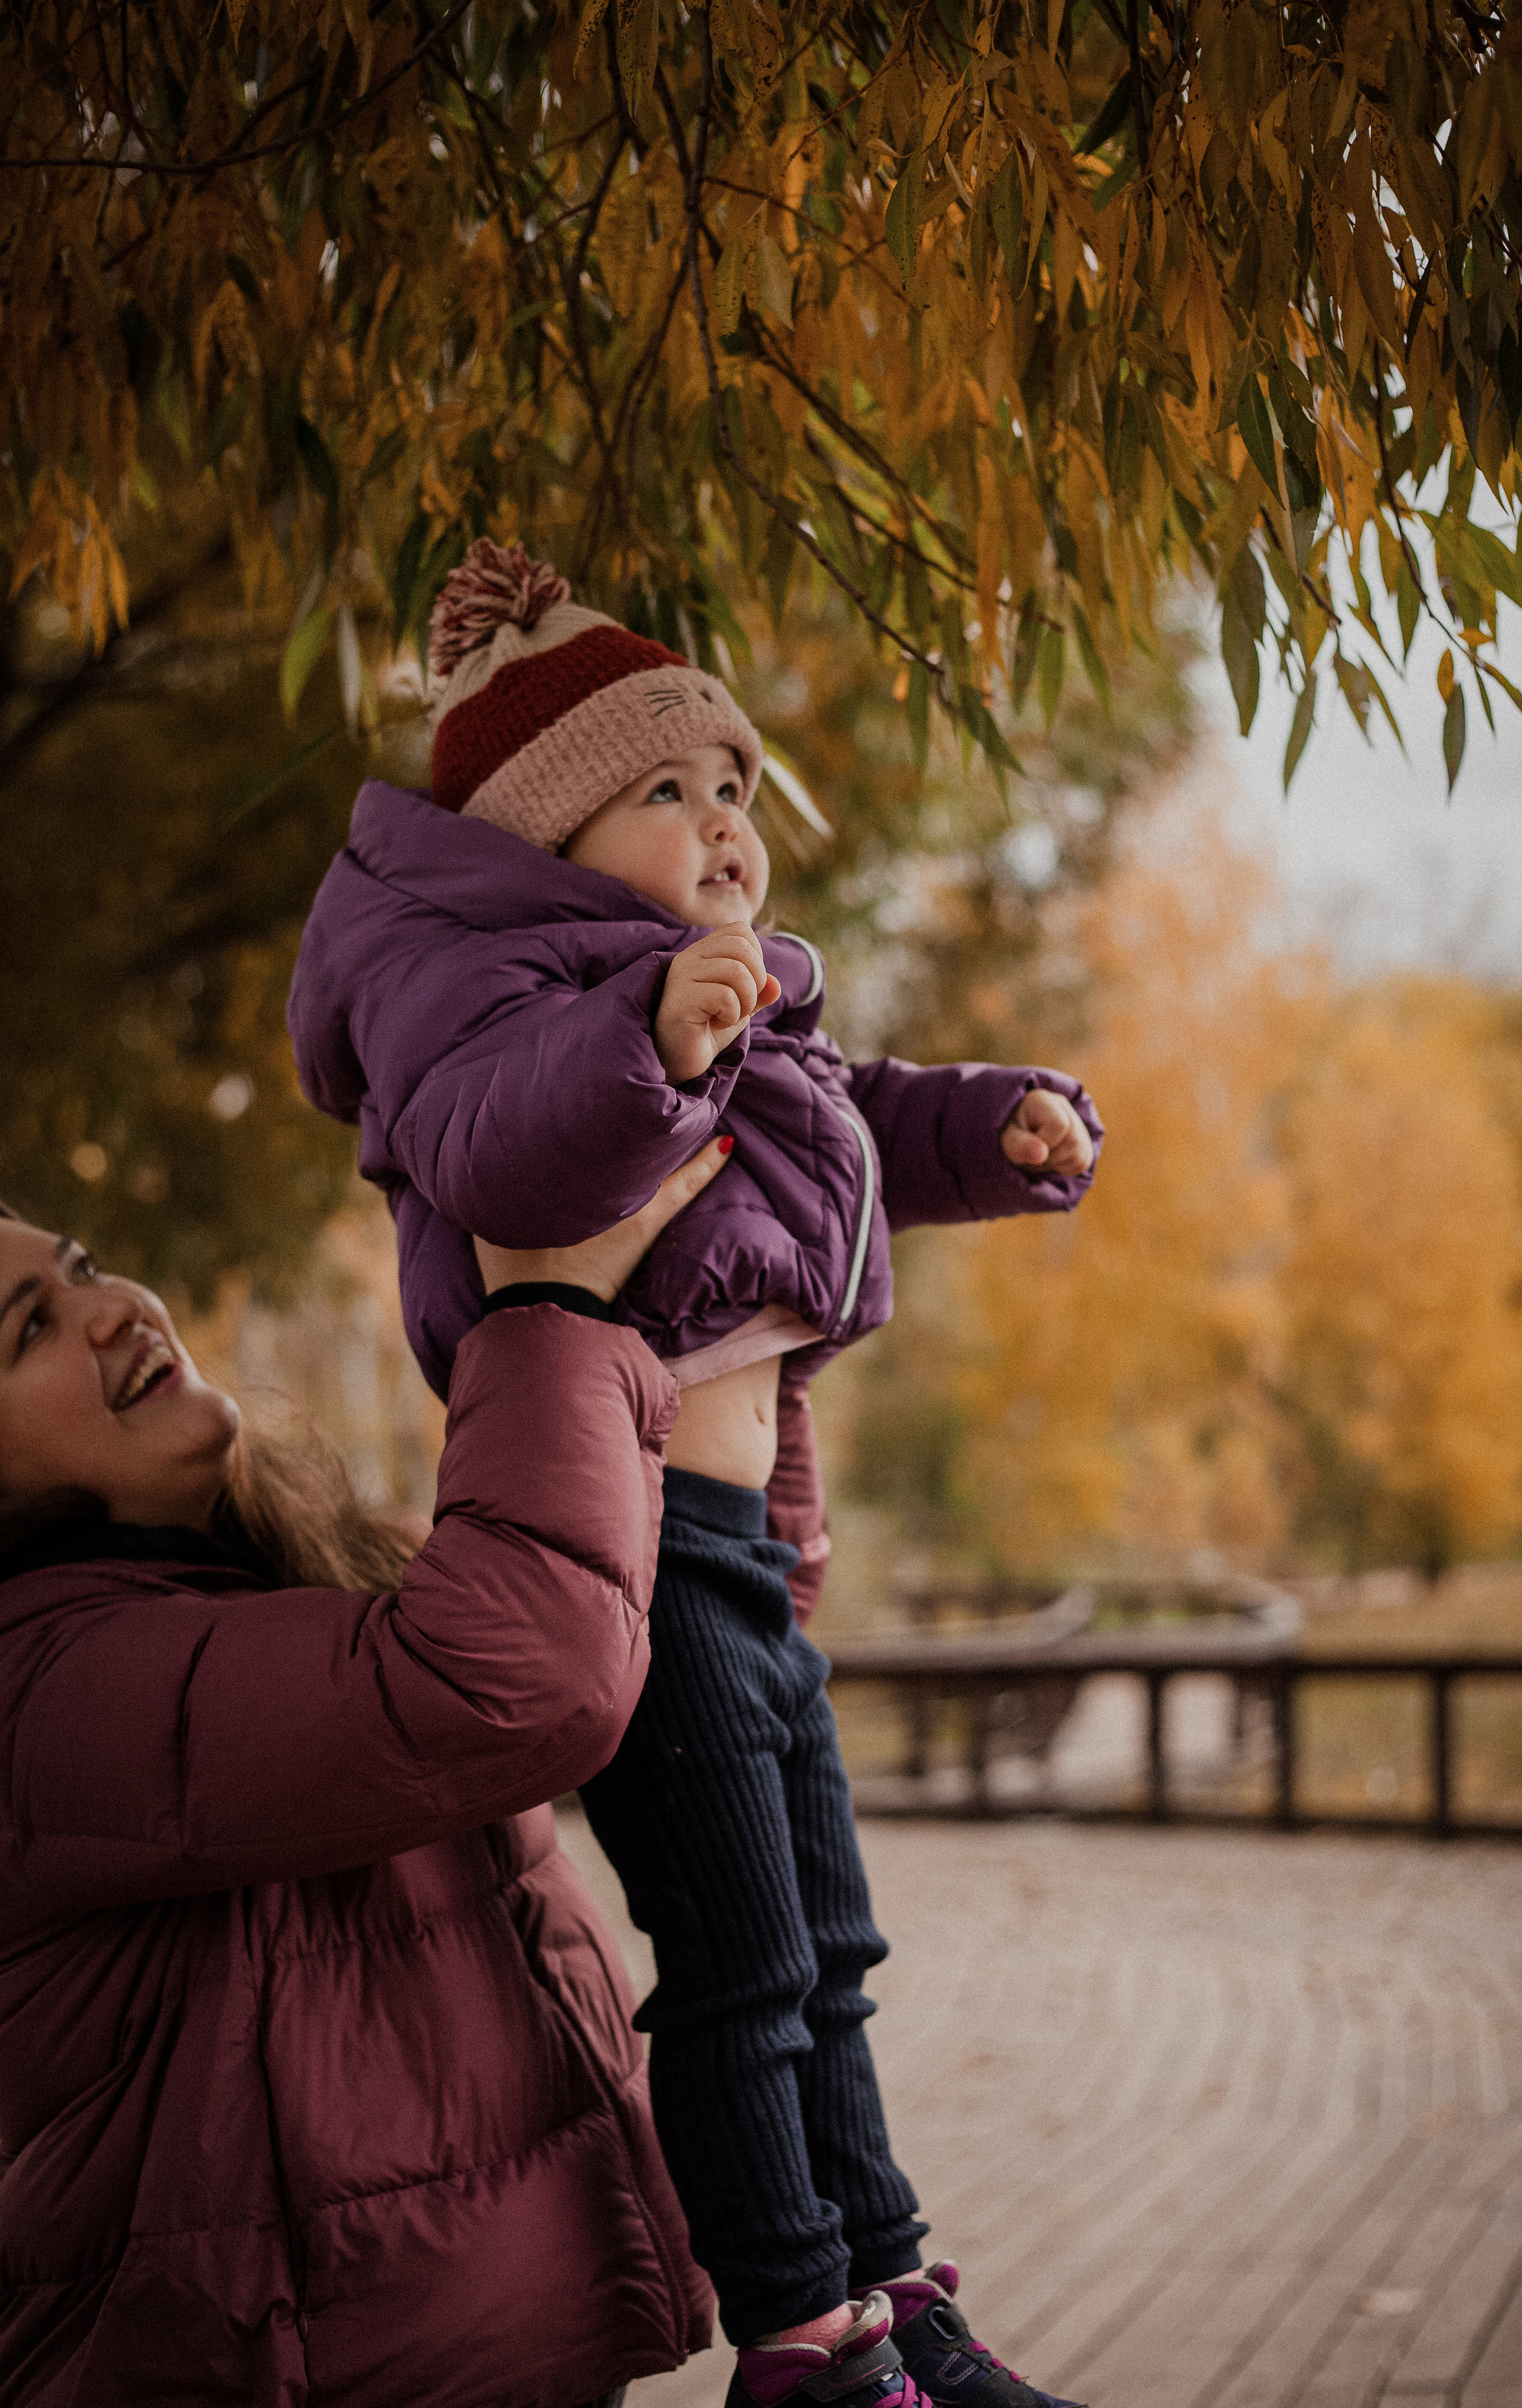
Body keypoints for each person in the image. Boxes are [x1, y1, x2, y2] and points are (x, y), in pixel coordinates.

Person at [288, 542, 1102, 2408]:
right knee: (738, 1953)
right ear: (549, 837)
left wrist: (1000, 1122)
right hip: (623, 1544)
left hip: (741, 1553)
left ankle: (894, 2292)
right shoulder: (489, 997)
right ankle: (805, 2344)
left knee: (828, 1936)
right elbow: (501, 1152)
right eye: (669, 790)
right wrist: (652, 1048)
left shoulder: (717, 996)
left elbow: (862, 1115)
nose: (727, 825)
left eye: (734, 786)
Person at [0, 1143, 736, 2407]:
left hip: (506, 2349)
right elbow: (522, 1676)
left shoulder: (295, 1567)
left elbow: (638, 1627)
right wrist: (544, 1310)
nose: (116, 1304)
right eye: (30, 1330)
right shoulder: (42, 1694)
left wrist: (742, 1337)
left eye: (82, 1269)